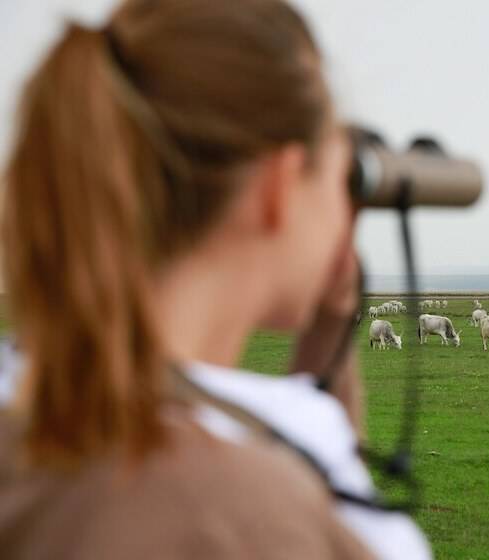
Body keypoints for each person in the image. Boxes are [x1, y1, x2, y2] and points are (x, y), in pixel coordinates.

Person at [0, 0, 431, 558]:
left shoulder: (29, 410)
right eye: (331, 172)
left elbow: (295, 454)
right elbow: (321, 507)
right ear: (277, 188)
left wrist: (329, 333)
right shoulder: (253, 520)